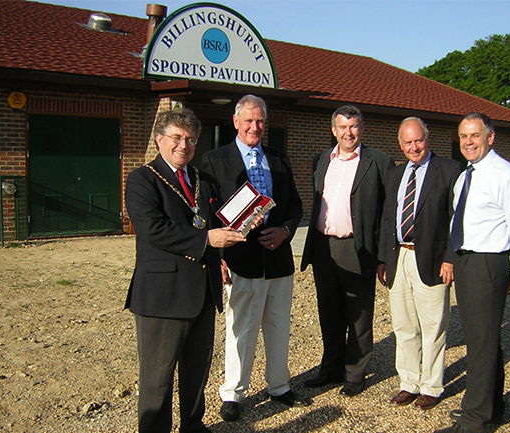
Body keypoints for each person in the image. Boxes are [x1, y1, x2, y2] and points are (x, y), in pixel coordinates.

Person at [125, 109, 250, 433]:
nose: (184, 145)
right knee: (158, 378)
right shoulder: (143, 179)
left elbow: (216, 220)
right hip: (162, 296)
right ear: (160, 140)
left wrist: (246, 221)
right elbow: (153, 229)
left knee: (196, 371)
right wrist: (206, 239)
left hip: (203, 291)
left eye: (191, 139)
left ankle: (192, 425)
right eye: (177, 138)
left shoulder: (200, 178)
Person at [200, 94, 309, 422]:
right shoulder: (214, 160)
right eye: (248, 121)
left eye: (260, 121)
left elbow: (295, 207)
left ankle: (279, 385)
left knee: (278, 326)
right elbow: (208, 213)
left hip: (278, 259)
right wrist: (216, 255)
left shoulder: (279, 159)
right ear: (235, 121)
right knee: (240, 328)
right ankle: (233, 392)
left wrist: (285, 232)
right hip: (239, 259)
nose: (255, 127)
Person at [434, 112, 510, 433]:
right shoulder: (466, 176)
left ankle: (475, 420)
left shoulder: (506, 175)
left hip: (489, 264)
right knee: (484, 338)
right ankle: (493, 407)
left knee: (481, 343)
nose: (468, 142)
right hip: (465, 261)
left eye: (475, 135)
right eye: (463, 136)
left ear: (491, 137)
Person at [301, 105, 395, 396]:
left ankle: (355, 373)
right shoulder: (321, 160)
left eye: (353, 127)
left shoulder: (379, 161)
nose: (348, 133)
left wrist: (383, 256)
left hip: (357, 248)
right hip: (323, 248)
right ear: (334, 130)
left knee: (359, 314)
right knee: (329, 312)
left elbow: (388, 213)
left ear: (361, 128)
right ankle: (331, 368)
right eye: (342, 127)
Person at [377, 117, 461, 410]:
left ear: (428, 138)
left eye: (419, 140)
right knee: (403, 325)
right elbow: (388, 217)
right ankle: (409, 382)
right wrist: (382, 259)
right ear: (400, 144)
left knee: (433, 326)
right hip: (398, 256)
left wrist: (451, 259)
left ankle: (431, 386)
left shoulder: (450, 170)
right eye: (408, 142)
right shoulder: (395, 174)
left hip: (434, 260)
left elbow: (457, 219)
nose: (414, 147)